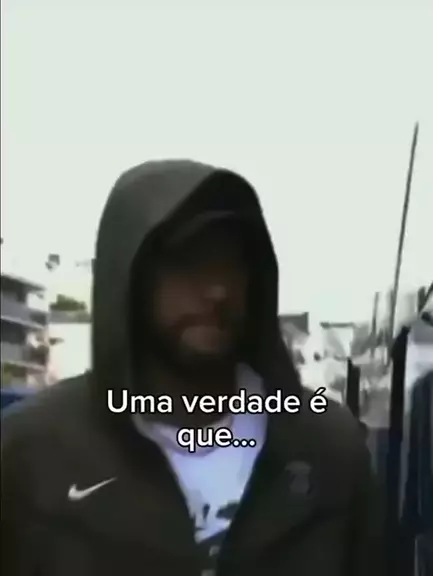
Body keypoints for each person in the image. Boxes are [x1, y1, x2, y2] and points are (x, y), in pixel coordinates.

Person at [1, 160, 385, 575]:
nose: (218, 289)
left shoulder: (329, 448)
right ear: (131, 276)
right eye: (188, 260)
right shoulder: (30, 453)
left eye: (232, 261)